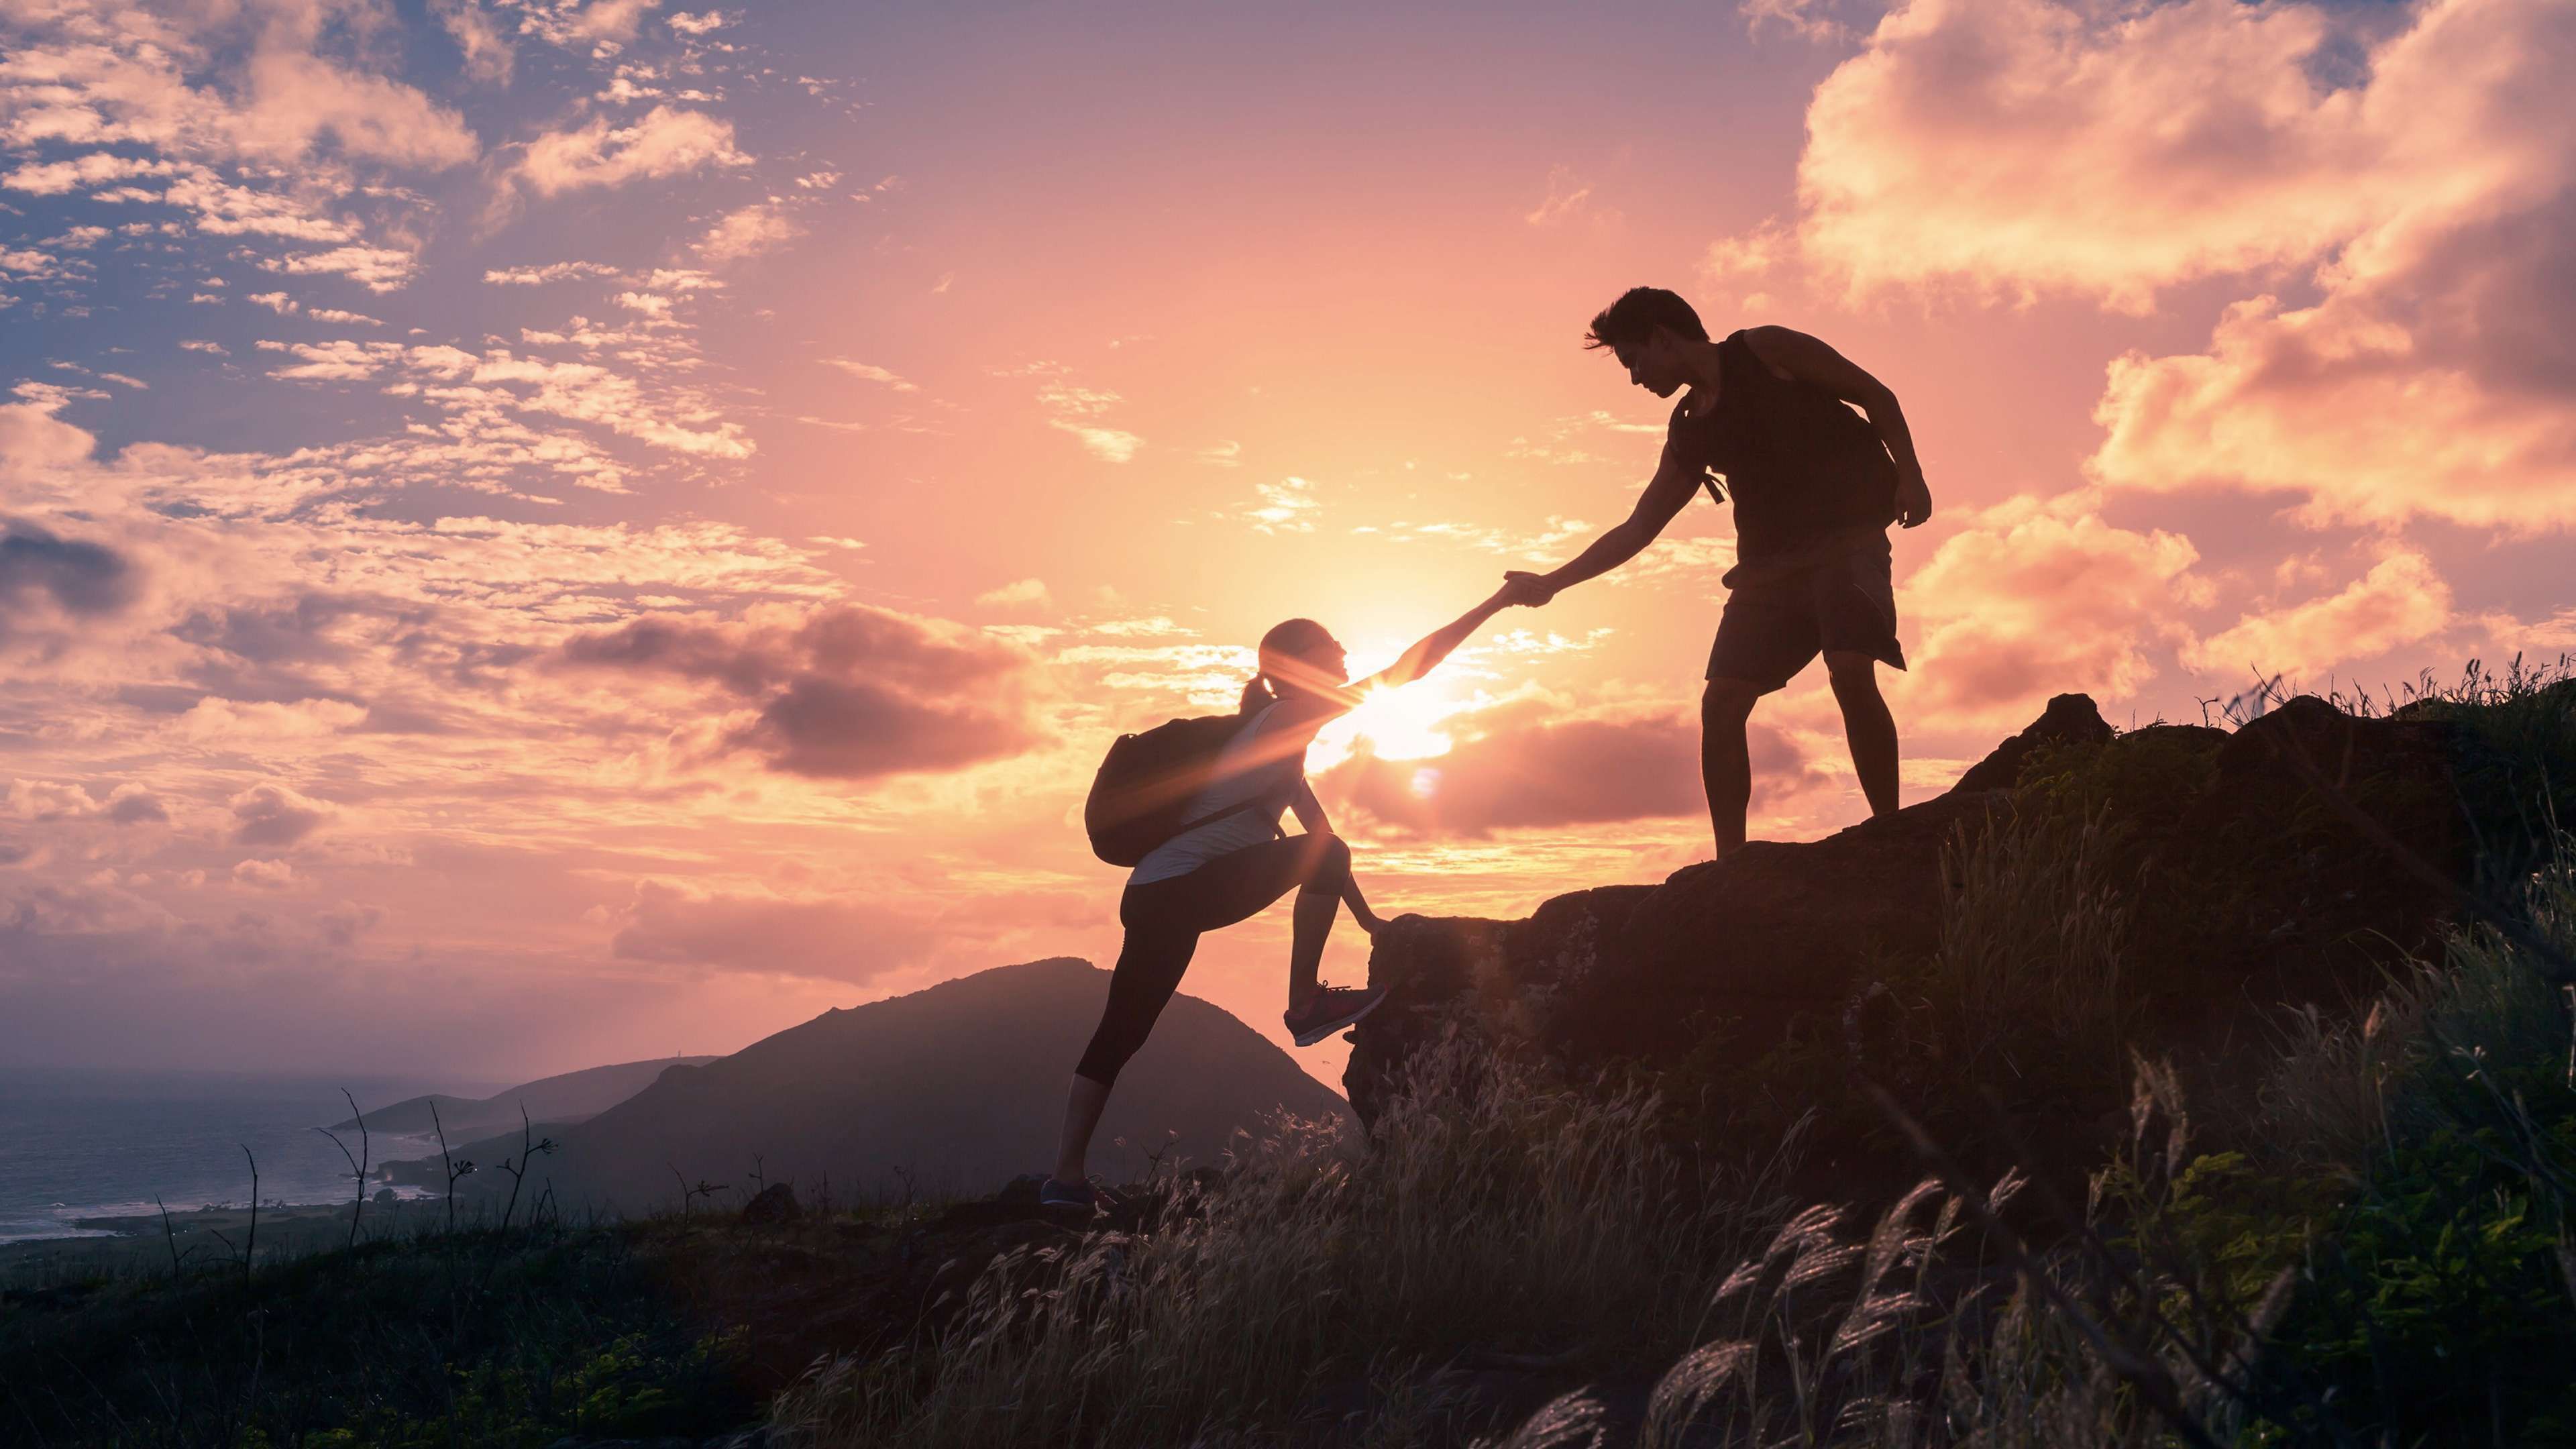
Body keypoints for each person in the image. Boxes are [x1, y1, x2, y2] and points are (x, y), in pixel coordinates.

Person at [1044, 588, 1518, 1212]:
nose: (1345, 651)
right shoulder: (1287, 717)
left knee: (1121, 1032)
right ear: (1299, 664)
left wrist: (1368, 918)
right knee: (1125, 1028)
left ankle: (1065, 1181)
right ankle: (1304, 1003)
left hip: (1157, 891)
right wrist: (1496, 604)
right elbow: (1408, 670)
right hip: (1183, 888)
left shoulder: (1275, 743)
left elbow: (1319, 842)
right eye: (1332, 645)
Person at [1501, 287, 1932, 858]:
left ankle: (1891, 833)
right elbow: (1639, 527)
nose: (1634, 379)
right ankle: (1731, 864)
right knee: (1722, 704)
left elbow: (1874, 394)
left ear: (1662, 337)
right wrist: (1552, 582)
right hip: (1766, 574)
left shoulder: (1766, 350)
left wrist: (1912, 475)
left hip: (1845, 541)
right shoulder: (1688, 429)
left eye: (1633, 360)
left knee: (1850, 667)